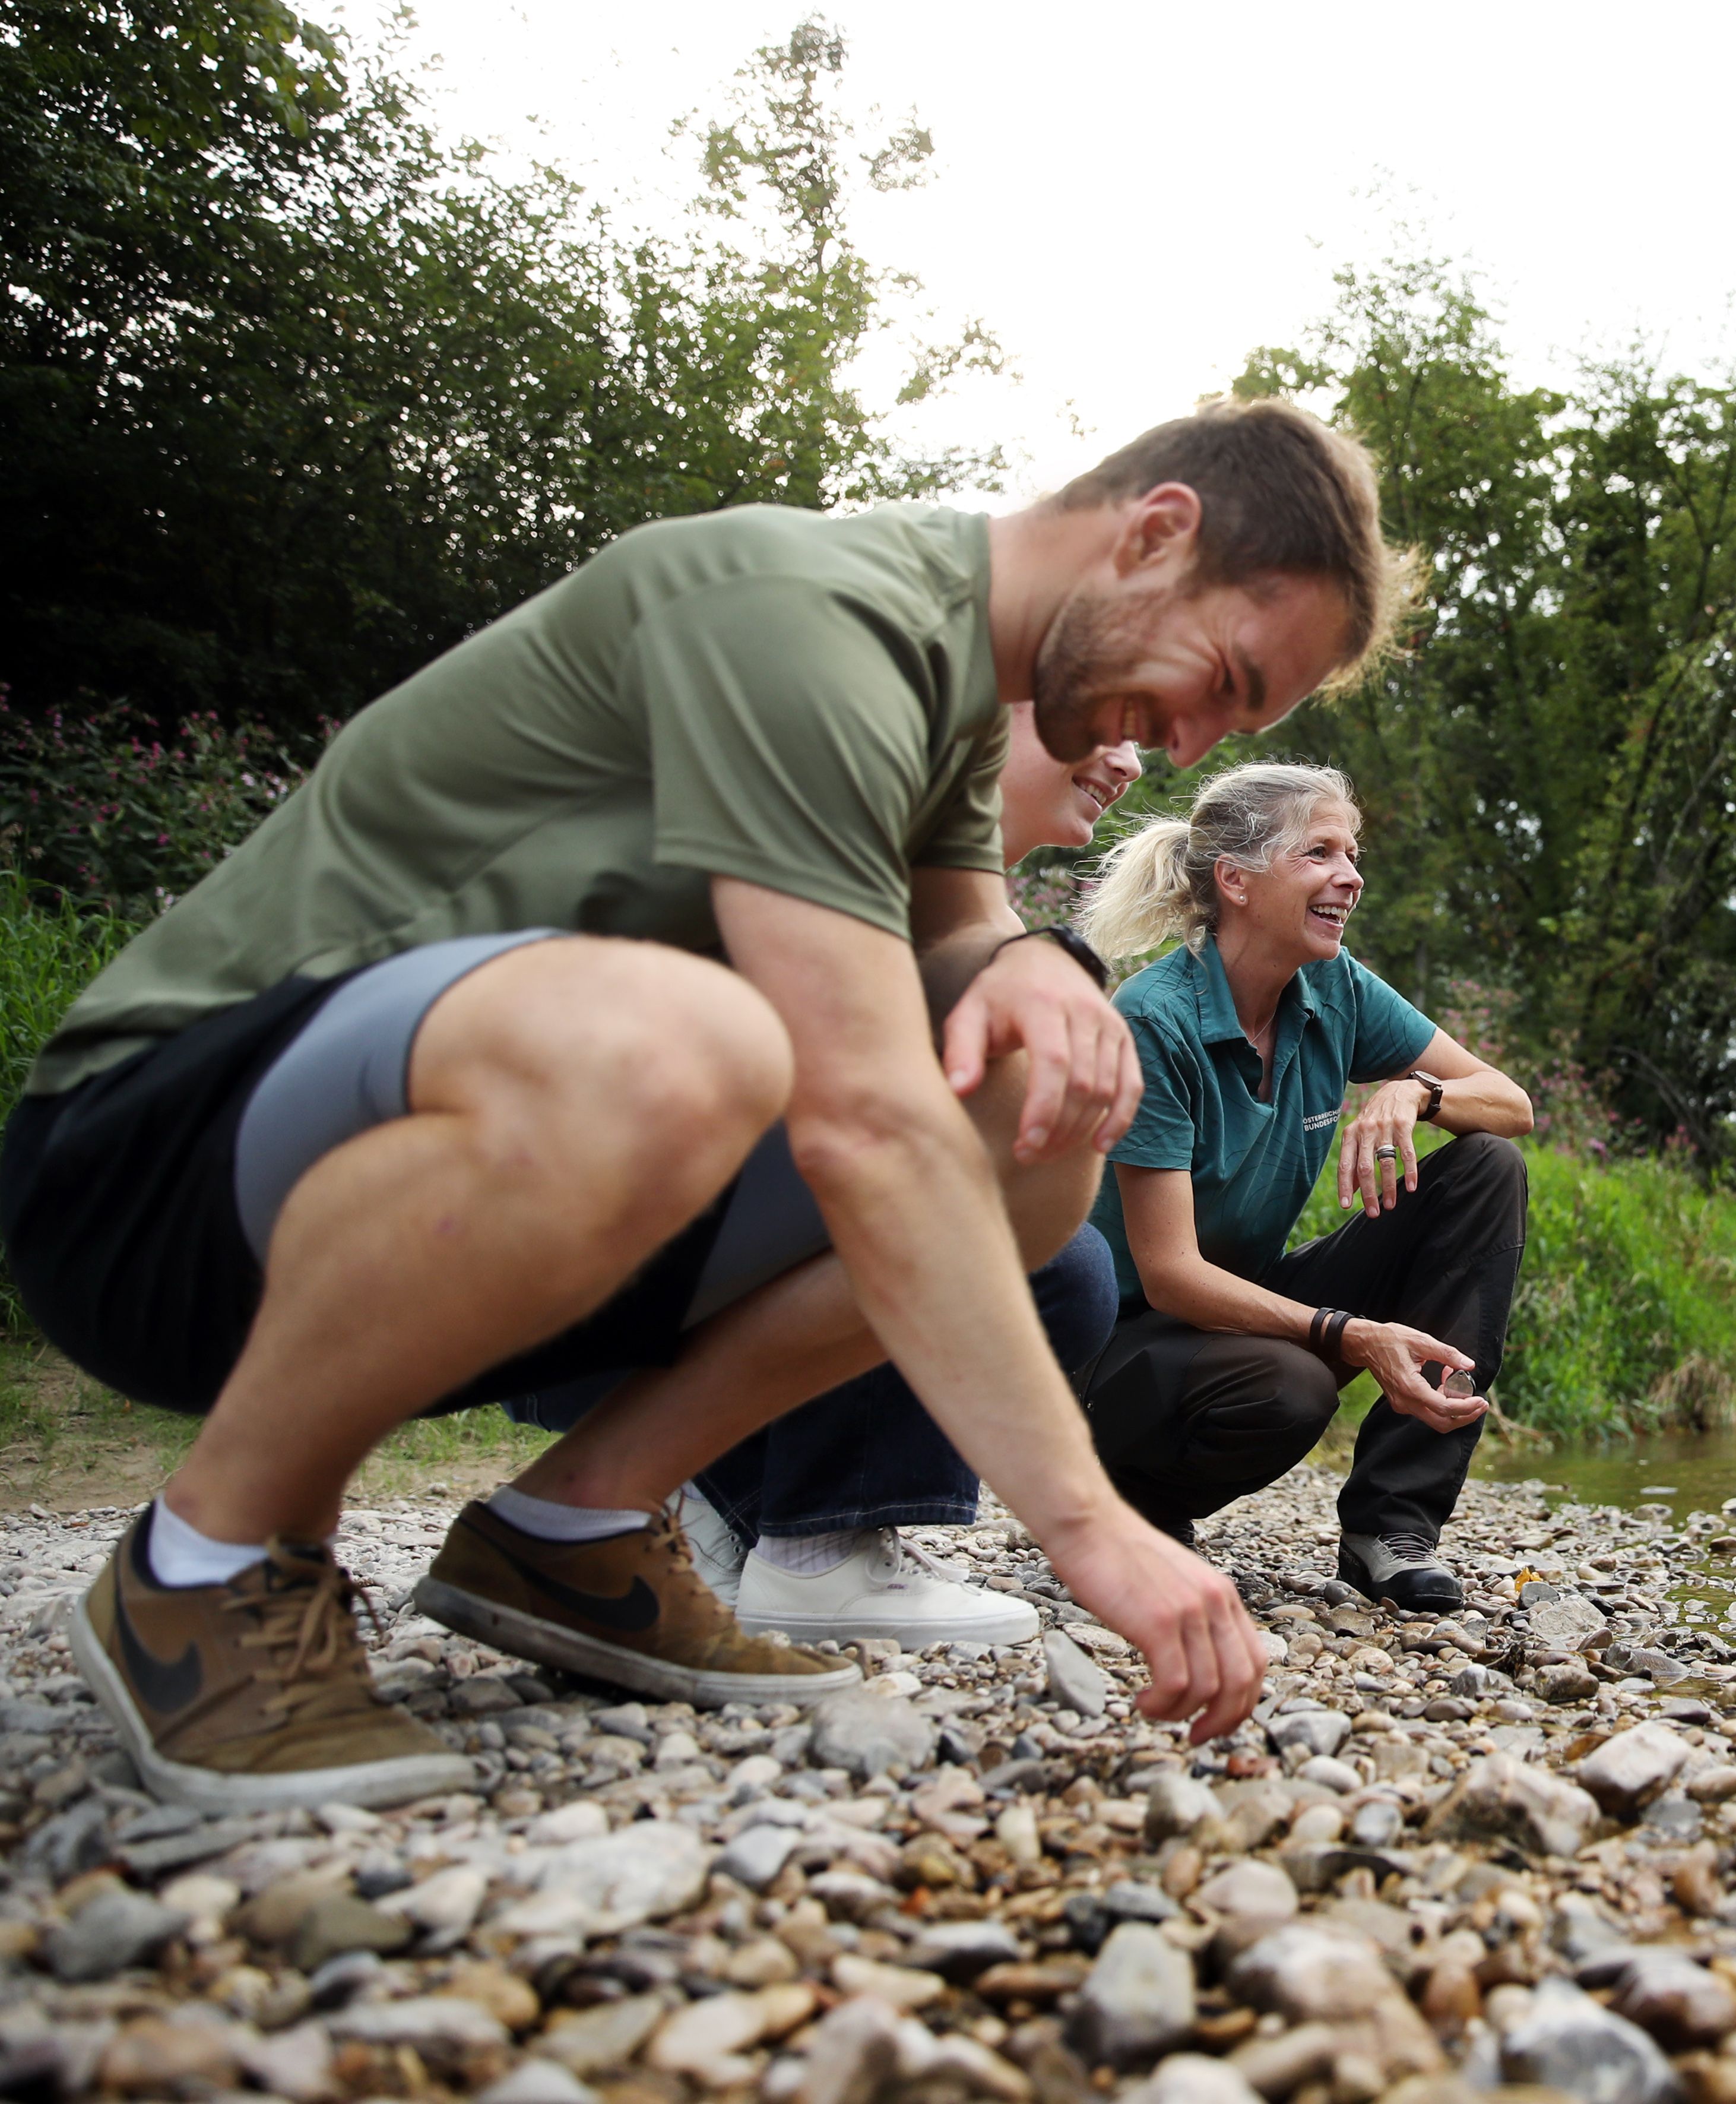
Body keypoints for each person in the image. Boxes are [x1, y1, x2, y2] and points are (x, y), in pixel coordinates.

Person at [1, 397, 1410, 1810]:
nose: (1188, 747)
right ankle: (208, 1558)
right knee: (702, 1045)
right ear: (1156, 534)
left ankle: (577, 1525)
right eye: (1224, 679)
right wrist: (1087, 1524)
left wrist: (1034, 963)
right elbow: (863, 1116)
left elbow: (966, 923)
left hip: (448, 1217)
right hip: (153, 1171)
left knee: (1041, 1100)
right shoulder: (808, 612)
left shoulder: (955, 693)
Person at [500, 735, 1146, 1650]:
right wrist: (1088, 1526)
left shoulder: (954, 899)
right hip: (565, 1258)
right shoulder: (849, 853)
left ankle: (712, 1511)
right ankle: (813, 1549)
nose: (1132, 762)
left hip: (655, 1248)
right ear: (998, 711)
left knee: (1059, 1257)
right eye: (1109, 722)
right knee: (1015, 1221)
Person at [1073, 762, 1533, 1613]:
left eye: (1352, 854)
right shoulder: (1153, 1020)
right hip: (1115, 1343)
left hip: (1235, 1305)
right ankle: (1134, 1497)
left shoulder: (1335, 986)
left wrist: (1419, 1094)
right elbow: (1170, 1274)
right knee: (1291, 1390)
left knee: (1484, 1167)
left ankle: (1391, 1529)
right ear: (1236, 881)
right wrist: (1350, 1334)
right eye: (1319, 853)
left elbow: (1512, 1107)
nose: (1351, 877)